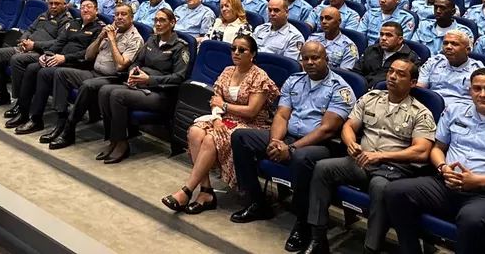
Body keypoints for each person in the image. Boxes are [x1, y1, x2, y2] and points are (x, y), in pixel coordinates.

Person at [386, 68, 485, 254]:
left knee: (471, 220)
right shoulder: (455, 110)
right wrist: (443, 167)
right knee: (395, 191)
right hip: (445, 183)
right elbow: (438, 149)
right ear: (470, 91)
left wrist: (478, 180)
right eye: (476, 89)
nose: (482, 94)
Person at [303, 57, 436, 254]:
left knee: (380, 187)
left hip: (392, 170)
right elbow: (349, 126)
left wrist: (381, 157)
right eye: (391, 71)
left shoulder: (420, 112)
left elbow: (422, 151)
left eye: (400, 74)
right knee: (323, 168)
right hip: (360, 162)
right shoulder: (370, 98)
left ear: (413, 82)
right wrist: (351, 143)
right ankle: (318, 238)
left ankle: (371, 249)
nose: (392, 77)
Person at [229, 42, 355, 247]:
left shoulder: (340, 89)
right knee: (240, 137)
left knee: (300, 158)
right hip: (287, 138)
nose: (310, 62)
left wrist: (292, 148)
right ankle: (258, 202)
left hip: (320, 146)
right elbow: (282, 114)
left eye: (315, 58)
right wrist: (276, 142)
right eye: (305, 58)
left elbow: (327, 130)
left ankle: (303, 222)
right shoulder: (294, 81)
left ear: (327, 60)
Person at [161, 34, 278, 214]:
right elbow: (214, 100)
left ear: (252, 54)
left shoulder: (259, 77)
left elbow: (251, 111)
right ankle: (206, 191)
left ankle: (186, 190)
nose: (236, 53)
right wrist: (216, 118)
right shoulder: (227, 71)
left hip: (250, 125)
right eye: (233, 49)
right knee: (195, 132)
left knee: (210, 140)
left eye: (242, 50)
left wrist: (223, 106)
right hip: (224, 119)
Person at [92, 7, 191, 163]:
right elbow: (137, 61)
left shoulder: (180, 47)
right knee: (104, 91)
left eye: (162, 20)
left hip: (160, 94)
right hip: (139, 86)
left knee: (117, 95)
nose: (158, 24)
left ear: (172, 23)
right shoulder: (152, 40)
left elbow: (179, 77)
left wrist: (149, 80)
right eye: (156, 20)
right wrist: (133, 71)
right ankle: (113, 140)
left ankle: (122, 144)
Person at [45, 3, 144, 148]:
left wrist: (112, 40)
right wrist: (100, 38)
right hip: (93, 72)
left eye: (124, 14)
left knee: (88, 86)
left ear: (132, 18)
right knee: (61, 73)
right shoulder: (109, 31)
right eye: (117, 15)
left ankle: (69, 129)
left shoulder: (135, 38)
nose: (119, 17)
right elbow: (88, 56)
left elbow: (120, 65)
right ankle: (60, 122)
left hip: (112, 79)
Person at [6, 0, 105, 134]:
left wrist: (64, 58)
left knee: (44, 73)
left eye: (89, 7)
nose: (85, 10)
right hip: (58, 59)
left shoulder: (100, 29)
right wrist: (46, 54)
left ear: (96, 10)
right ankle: (24, 111)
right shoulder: (74, 23)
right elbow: (60, 42)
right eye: (82, 7)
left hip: (77, 64)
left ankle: (40, 119)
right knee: (32, 68)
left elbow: (89, 53)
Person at [0, 0, 73, 110]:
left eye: (57, 4)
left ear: (65, 5)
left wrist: (34, 45)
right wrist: (24, 40)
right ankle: (2, 94)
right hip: (26, 48)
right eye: (51, 3)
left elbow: (58, 43)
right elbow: (30, 29)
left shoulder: (67, 21)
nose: (53, 6)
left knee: (16, 60)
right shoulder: (44, 15)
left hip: (42, 53)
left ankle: (21, 102)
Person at [417, 30, 484, 107]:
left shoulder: (478, 70)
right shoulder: (433, 62)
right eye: (445, 43)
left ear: (467, 50)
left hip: (460, 113)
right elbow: (419, 90)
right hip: (431, 107)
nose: (448, 47)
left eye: (455, 44)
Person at [353, 21, 420, 90]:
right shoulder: (371, 49)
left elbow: (405, 86)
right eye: (381, 34)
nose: (383, 38)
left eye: (389, 35)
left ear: (400, 40)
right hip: (361, 90)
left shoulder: (411, 59)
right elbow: (356, 72)